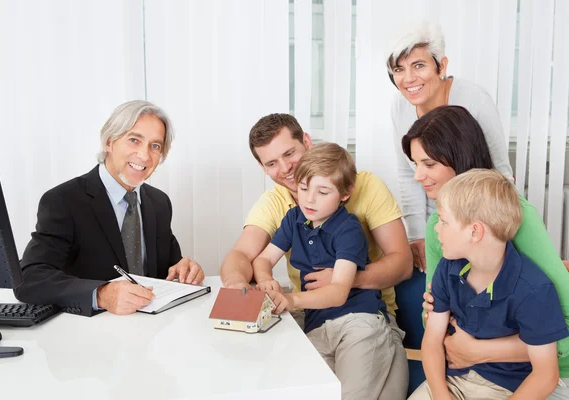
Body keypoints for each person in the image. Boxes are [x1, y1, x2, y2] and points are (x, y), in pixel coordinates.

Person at [220, 113, 413, 400]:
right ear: (262, 167)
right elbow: (243, 255)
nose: (285, 168)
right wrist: (247, 285)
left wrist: (342, 281)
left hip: (365, 317)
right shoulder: (286, 210)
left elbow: (403, 262)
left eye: (289, 153)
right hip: (311, 318)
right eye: (272, 163)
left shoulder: (358, 203)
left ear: (306, 142)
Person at [402, 105, 569, 398]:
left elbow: (560, 335)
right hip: (463, 371)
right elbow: (434, 317)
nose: (418, 176)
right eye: (415, 164)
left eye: (428, 164)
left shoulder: (519, 218)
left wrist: (479, 351)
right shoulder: (437, 230)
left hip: (536, 369)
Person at [14, 100, 204, 316]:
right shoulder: (64, 200)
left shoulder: (159, 203)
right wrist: (101, 294)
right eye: (134, 140)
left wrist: (183, 269)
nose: (144, 155)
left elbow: (168, 270)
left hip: (150, 334)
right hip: (87, 335)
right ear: (109, 142)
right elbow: (29, 278)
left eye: (155, 146)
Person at [253, 143, 396, 400]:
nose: (309, 199)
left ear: (344, 193)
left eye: (323, 191)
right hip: (316, 326)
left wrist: (291, 300)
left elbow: (338, 292)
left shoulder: (348, 229)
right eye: (304, 188)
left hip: (358, 321)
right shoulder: (294, 218)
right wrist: (265, 280)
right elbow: (263, 259)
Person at [387, 21, 513, 272]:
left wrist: (499, 237)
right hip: (438, 224)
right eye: (399, 69)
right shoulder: (400, 107)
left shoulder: (474, 100)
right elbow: (407, 173)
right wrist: (417, 235)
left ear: (441, 66)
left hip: (480, 220)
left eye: (419, 65)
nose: (408, 78)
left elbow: (501, 173)